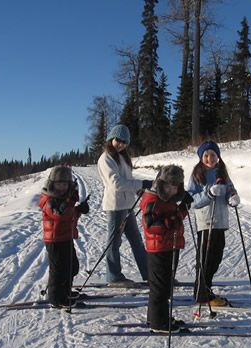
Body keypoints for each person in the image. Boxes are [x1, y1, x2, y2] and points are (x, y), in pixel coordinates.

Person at [97, 124, 153, 286]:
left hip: (127, 205)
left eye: (124, 142)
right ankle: (114, 276)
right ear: (111, 139)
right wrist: (141, 183)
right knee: (114, 242)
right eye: (118, 140)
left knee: (136, 241)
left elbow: (127, 179)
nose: (121, 144)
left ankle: (149, 274)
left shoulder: (122, 157)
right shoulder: (106, 158)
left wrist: (138, 191)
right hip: (115, 206)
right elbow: (116, 183)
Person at [140, 165, 193, 333]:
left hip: (170, 245)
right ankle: (159, 323)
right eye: (168, 186)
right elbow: (150, 225)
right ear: (160, 183)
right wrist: (168, 223)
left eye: (175, 187)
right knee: (160, 287)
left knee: (165, 284)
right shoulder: (152, 199)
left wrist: (183, 209)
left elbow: (175, 218)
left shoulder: (167, 200)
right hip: (159, 248)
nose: (171, 190)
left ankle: (156, 316)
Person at [187, 141, 241, 307]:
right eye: (206, 155)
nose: (209, 158)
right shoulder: (197, 174)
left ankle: (207, 288)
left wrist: (232, 197)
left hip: (220, 221)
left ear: (218, 156)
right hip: (206, 222)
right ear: (201, 157)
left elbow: (230, 189)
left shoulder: (222, 172)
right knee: (205, 258)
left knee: (216, 257)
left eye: (212, 155)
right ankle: (201, 292)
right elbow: (191, 200)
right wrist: (208, 194)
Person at [38, 165, 89, 308]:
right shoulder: (49, 200)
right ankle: (56, 299)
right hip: (55, 240)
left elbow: (70, 216)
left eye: (64, 184)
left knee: (72, 267)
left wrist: (79, 209)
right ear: (52, 184)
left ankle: (65, 291)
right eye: (58, 184)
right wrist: (73, 205)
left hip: (65, 238)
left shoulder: (65, 198)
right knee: (59, 271)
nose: (61, 187)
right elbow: (60, 216)